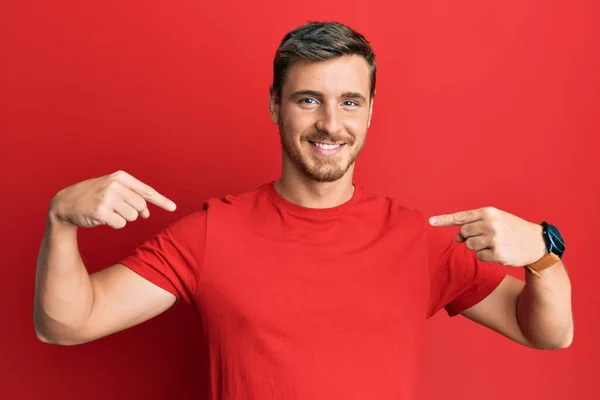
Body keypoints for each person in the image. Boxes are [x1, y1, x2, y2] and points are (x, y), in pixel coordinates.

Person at [34, 21, 573, 399]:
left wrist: (544, 254)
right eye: (308, 99)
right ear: (275, 104)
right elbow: (68, 323)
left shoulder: (420, 239)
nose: (331, 124)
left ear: (370, 113)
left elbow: (546, 333)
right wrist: (60, 219)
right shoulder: (210, 233)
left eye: (350, 102)